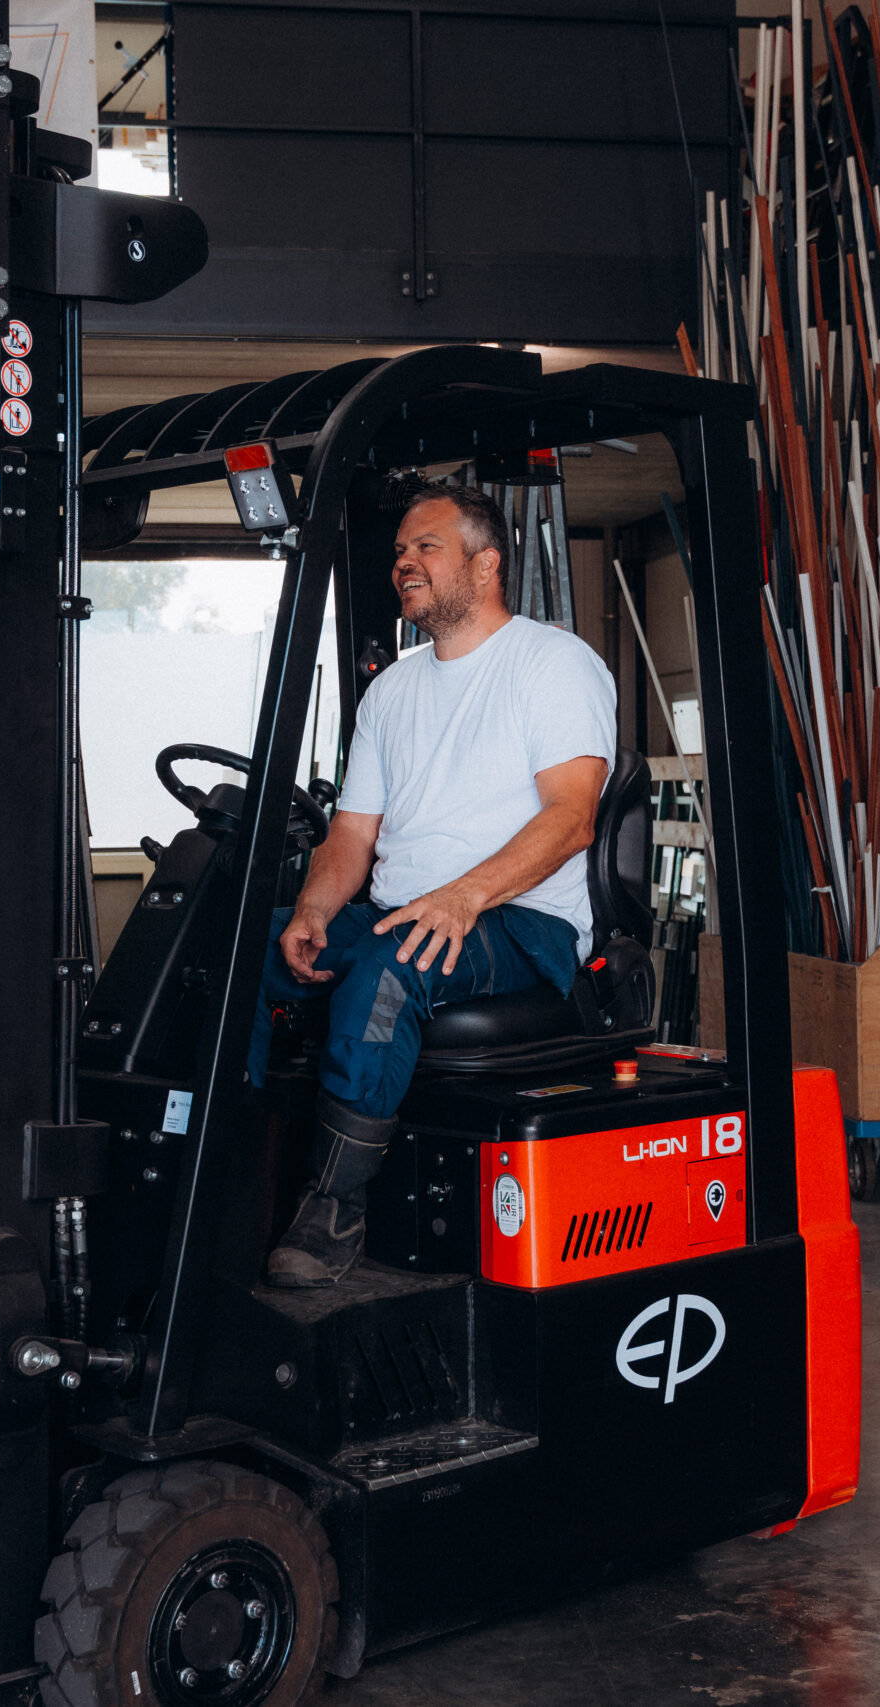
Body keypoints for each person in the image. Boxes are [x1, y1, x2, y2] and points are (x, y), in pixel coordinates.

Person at [253, 483, 616, 1287]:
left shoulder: (552, 664)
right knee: (241, 947)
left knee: (389, 971)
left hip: (521, 922)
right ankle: (229, 1163)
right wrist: (314, 908)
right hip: (402, 909)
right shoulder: (393, 690)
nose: (403, 562)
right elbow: (352, 832)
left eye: (426, 547)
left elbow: (571, 820)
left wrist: (463, 896)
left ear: (485, 565)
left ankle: (336, 1201)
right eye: (399, 551)